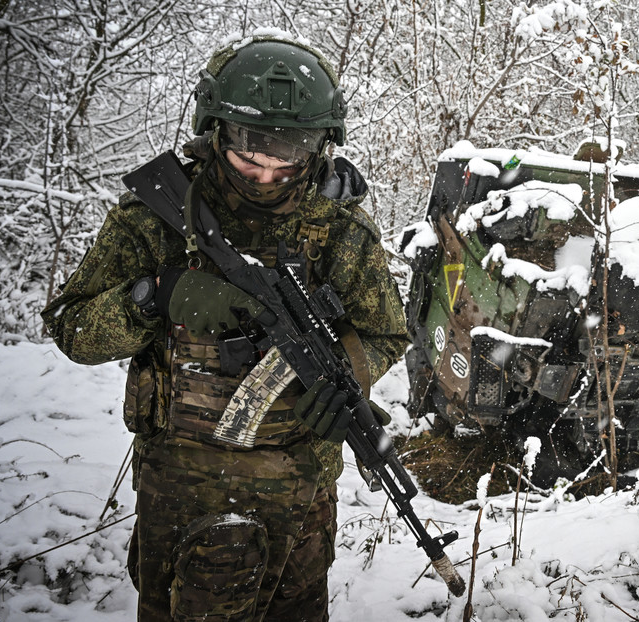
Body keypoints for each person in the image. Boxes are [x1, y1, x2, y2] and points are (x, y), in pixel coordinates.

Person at [41, 34, 410, 621]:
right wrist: (156, 296)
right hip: (182, 491)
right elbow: (70, 327)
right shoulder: (157, 216)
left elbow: (390, 332)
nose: (265, 176)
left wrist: (344, 375)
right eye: (248, 157)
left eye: (285, 161)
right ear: (214, 130)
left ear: (318, 148)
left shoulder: (338, 228)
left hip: (301, 496)